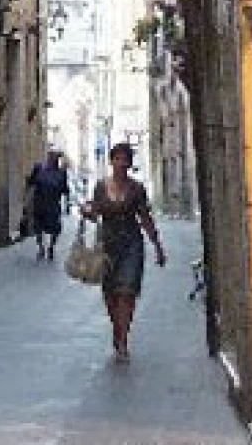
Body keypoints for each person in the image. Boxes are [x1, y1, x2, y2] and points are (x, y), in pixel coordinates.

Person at [80, 141, 166, 362]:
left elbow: (145, 218)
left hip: (131, 244)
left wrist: (157, 246)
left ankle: (123, 340)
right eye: (117, 159)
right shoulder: (100, 187)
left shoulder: (137, 189)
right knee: (110, 294)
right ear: (111, 161)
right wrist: (87, 211)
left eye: (125, 159)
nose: (121, 163)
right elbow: (95, 213)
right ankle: (117, 330)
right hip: (108, 245)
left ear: (129, 163)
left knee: (127, 292)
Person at [23, 147, 70, 260]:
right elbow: (31, 182)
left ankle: (50, 247)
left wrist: (67, 203)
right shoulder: (39, 168)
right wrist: (26, 196)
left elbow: (64, 189)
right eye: (51, 156)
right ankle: (42, 248)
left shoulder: (61, 173)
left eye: (55, 156)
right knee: (39, 227)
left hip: (52, 204)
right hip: (40, 203)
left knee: (55, 228)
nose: (52, 158)